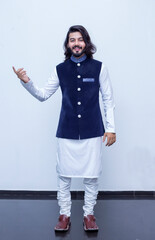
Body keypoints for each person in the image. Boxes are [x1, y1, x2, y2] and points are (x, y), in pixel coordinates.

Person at [12, 25, 116, 232]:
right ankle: (64, 215)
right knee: (63, 176)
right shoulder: (60, 69)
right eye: (72, 40)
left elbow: (108, 99)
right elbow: (43, 95)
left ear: (86, 42)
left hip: (92, 130)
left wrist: (111, 128)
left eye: (79, 39)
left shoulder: (99, 68)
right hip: (66, 130)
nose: (76, 43)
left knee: (92, 175)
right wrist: (27, 82)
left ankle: (89, 215)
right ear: (68, 44)